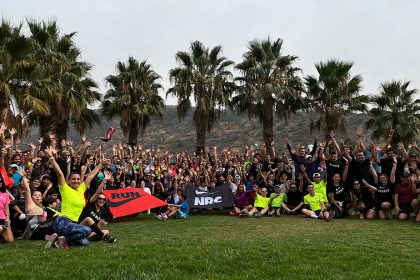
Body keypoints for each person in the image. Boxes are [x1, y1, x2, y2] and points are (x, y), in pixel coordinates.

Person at [46, 146, 103, 247]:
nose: (76, 181)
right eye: (73, 179)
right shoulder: (65, 189)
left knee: (85, 242)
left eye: (78, 179)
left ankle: (59, 241)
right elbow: (59, 173)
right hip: (62, 222)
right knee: (87, 230)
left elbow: (90, 176)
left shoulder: (81, 189)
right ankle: (61, 238)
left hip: (73, 224)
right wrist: (51, 158)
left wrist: (101, 165)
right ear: (69, 181)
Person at [79, 171, 116, 243]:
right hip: (80, 227)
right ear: (96, 199)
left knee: (106, 231)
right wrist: (104, 181)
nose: (102, 200)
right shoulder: (91, 204)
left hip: (89, 232)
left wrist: (100, 223)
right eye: (100, 199)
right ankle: (104, 237)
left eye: (104, 199)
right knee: (88, 219)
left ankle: (86, 239)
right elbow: (97, 193)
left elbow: (97, 227)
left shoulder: (102, 211)